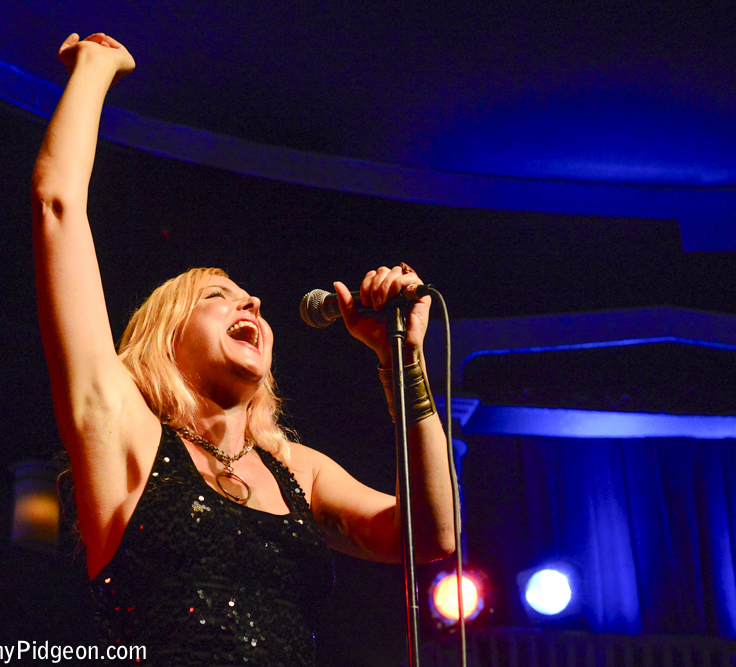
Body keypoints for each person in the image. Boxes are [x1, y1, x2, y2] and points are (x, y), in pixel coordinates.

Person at [31, 33, 454, 666]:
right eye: (218, 296)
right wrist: (95, 67)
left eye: (250, 298)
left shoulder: (296, 470)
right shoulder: (124, 435)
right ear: (165, 336)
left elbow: (431, 534)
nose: (250, 304)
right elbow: (57, 209)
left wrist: (404, 367)